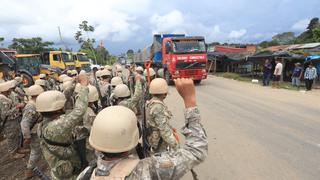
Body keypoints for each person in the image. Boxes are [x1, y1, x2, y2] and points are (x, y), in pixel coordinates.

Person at [77, 78, 208, 179]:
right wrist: (190, 100)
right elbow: (196, 151)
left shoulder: (86, 175)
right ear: (134, 136)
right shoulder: (151, 169)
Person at [36, 73, 89, 180]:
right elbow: (79, 111)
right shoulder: (56, 126)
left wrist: (73, 83)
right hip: (70, 173)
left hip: (59, 166)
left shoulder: (44, 123)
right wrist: (84, 86)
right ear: (57, 109)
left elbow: (62, 97)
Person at [146, 78, 179, 154]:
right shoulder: (158, 107)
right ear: (165, 94)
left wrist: (170, 128)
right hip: (159, 141)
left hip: (154, 136)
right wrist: (176, 146)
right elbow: (164, 132)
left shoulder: (152, 102)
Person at [21, 85, 44, 178]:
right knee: (36, 151)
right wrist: (27, 137)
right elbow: (24, 123)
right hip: (34, 133)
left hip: (39, 130)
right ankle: (29, 170)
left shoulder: (35, 102)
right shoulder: (31, 106)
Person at [0, 80, 26, 159]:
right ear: (5, 90)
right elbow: (5, 113)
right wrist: (17, 107)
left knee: (17, 134)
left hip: (14, 119)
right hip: (8, 122)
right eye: (9, 89)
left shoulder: (7, 96)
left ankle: (18, 148)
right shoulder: (2, 99)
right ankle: (13, 153)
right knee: (11, 137)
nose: (11, 90)